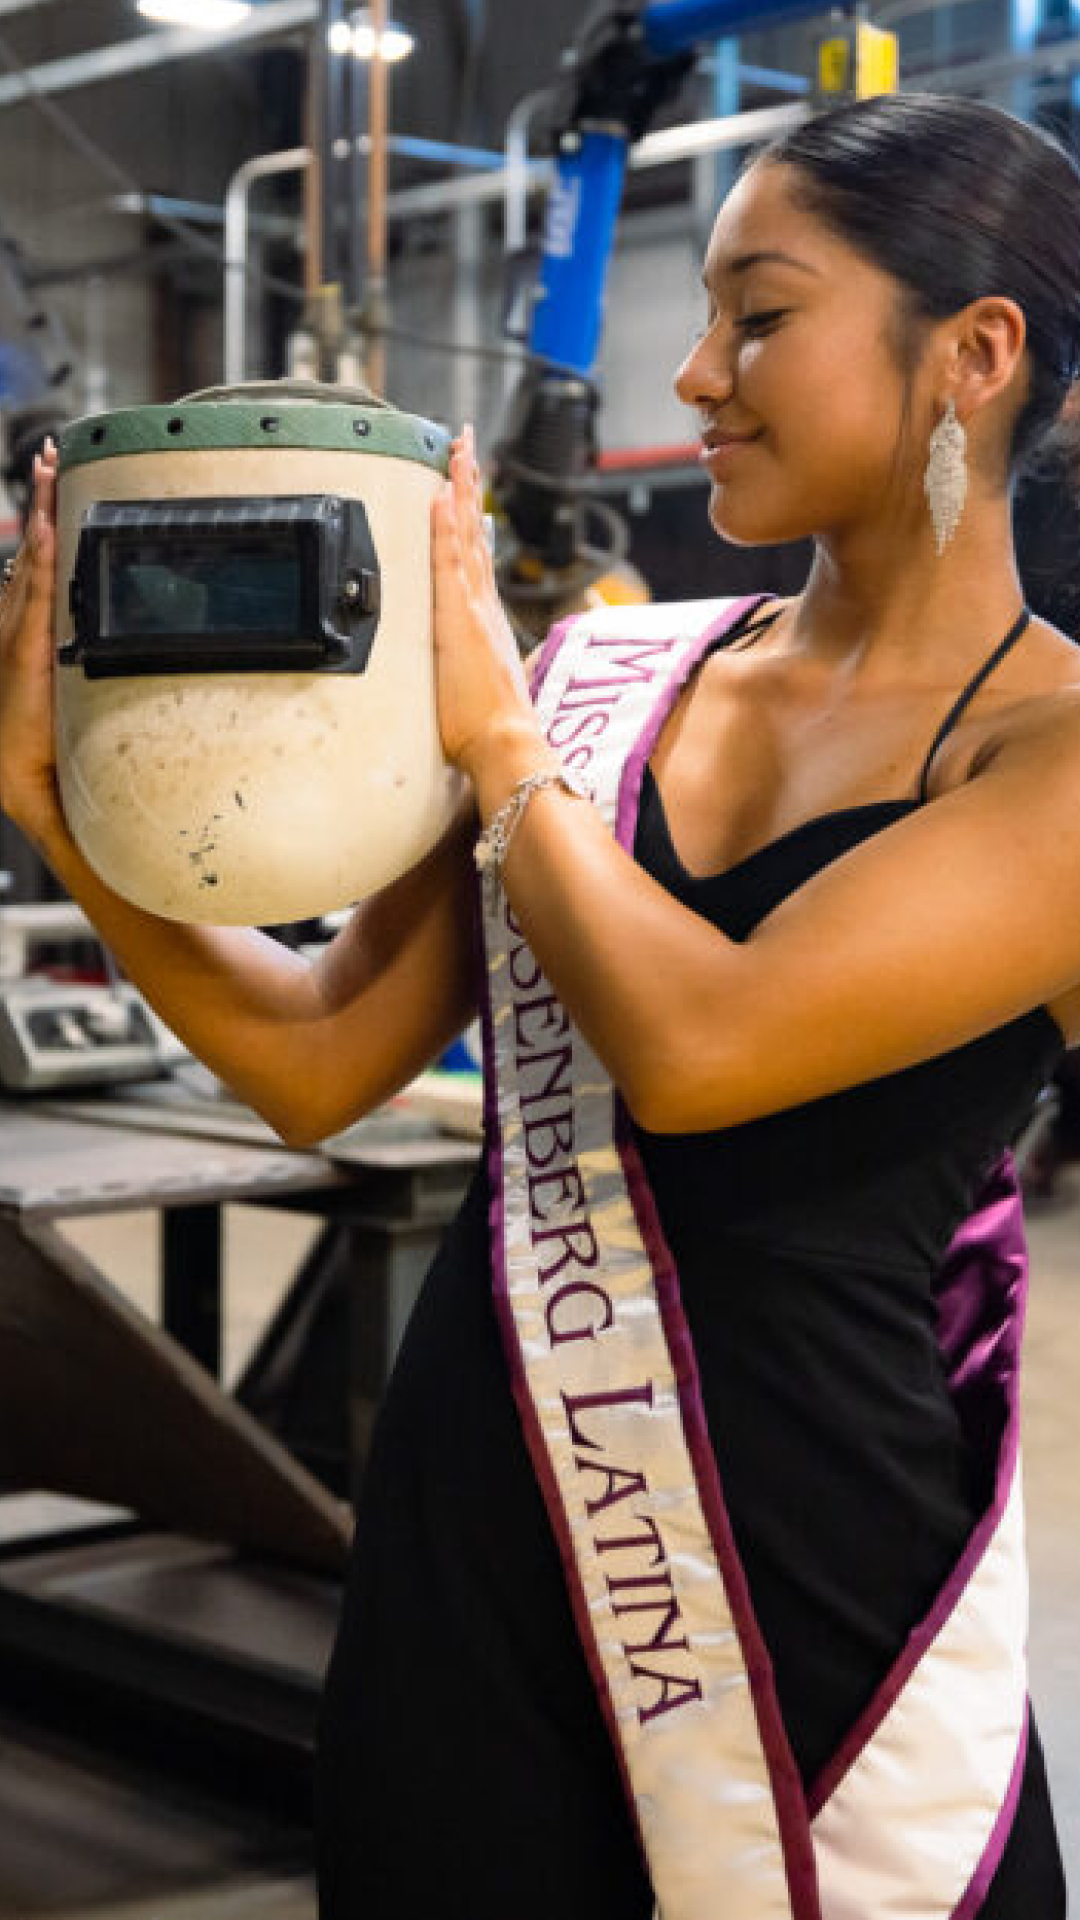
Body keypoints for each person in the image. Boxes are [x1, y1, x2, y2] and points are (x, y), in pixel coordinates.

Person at [1, 87, 1077, 1920]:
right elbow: (319, 1060)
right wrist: (66, 820)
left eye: (759, 315)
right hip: (478, 1547)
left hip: (817, 1588)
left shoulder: (1045, 754)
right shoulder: (609, 681)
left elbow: (703, 1047)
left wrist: (501, 734)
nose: (693, 374)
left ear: (970, 353)